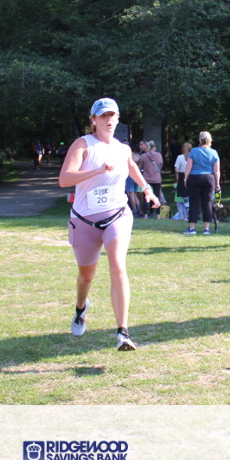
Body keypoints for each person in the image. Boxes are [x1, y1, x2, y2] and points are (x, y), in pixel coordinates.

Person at [58, 97, 159, 351]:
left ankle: (123, 333)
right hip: (84, 221)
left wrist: (147, 189)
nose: (108, 119)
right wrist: (98, 170)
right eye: (103, 115)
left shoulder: (122, 148)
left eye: (112, 115)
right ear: (93, 120)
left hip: (117, 216)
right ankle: (81, 308)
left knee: (118, 265)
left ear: (118, 118)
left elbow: (131, 166)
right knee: (86, 276)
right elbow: (65, 179)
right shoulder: (83, 144)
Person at [183, 131, 221, 235]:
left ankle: (192, 228)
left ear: (200, 140)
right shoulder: (214, 152)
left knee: (194, 203)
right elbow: (217, 170)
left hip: (194, 178)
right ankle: (206, 229)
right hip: (209, 178)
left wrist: (185, 179)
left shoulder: (194, 151)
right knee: (207, 203)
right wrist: (217, 183)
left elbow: (188, 167)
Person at [138, 140, 164, 218]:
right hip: (157, 178)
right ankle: (158, 215)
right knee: (157, 196)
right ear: (154, 147)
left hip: (146, 179)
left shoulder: (143, 156)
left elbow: (140, 167)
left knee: (146, 196)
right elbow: (161, 165)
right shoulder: (159, 155)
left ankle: (145, 215)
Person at [173, 141, 192, 221]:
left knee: (181, 196)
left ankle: (182, 215)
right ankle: (187, 215)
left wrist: (177, 179)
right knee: (188, 196)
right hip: (190, 176)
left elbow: (176, 169)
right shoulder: (192, 157)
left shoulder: (180, 157)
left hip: (181, 176)